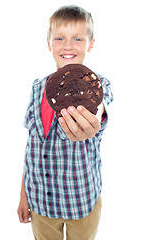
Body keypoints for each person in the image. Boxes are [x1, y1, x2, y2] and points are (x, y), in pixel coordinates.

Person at [17, 5, 113, 240]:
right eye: (59, 37)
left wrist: (90, 121)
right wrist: (24, 194)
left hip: (80, 202)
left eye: (77, 38)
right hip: (41, 203)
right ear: (49, 44)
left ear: (90, 44)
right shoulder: (38, 87)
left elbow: (99, 109)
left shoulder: (98, 86)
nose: (68, 45)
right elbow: (32, 144)